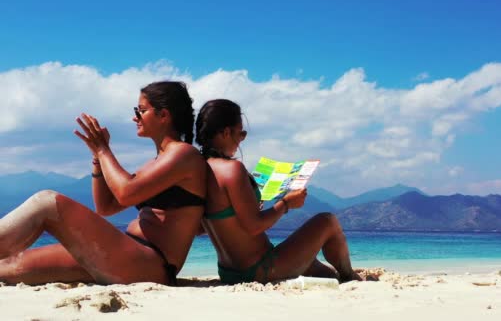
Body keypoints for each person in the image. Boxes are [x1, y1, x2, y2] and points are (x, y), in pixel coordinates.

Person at [0, 81, 206, 286]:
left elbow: (126, 193)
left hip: (148, 262)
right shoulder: (155, 164)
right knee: (9, 265)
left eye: (141, 110)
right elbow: (106, 207)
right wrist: (98, 158)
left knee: (45, 202)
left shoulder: (184, 154)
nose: (135, 117)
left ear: (164, 115)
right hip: (123, 253)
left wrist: (103, 150)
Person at [195, 99, 361, 284]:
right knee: (327, 221)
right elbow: (254, 226)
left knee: (322, 271)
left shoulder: (199, 169)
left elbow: (203, 227)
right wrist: (287, 204)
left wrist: (246, 207)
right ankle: (349, 277)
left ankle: (339, 276)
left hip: (229, 271)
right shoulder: (232, 169)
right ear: (226, 133)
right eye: (241, 133)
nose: (242, 139)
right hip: (260, 269)